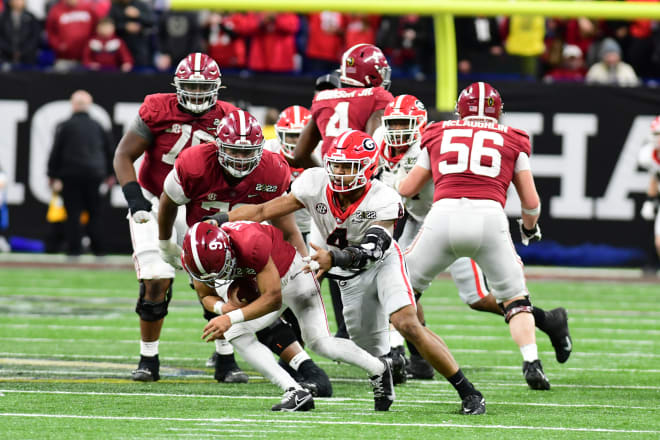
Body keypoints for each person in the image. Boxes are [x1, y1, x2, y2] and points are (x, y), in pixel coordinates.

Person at [225, 129, 487, 415]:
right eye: (336, 164)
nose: (339, 172)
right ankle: (382, 371)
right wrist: (218, 219)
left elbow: (373, 250)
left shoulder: (383, 197)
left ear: (368, 167)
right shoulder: (314, 183)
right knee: (370, 349)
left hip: (382, 264)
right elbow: (263, 211)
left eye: (348, 167)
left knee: (407, 323)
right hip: (346, 277)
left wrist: (333, 257)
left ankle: (469, 392)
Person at [376, 95, 572, 375]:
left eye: (403, 124)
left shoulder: (434, 138)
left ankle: (547, 320)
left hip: (444, 217)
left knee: (476, 297)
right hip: (418, 219)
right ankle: (409, 354)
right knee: (402, 284)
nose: (396, 131)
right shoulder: (382, 139)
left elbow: (407, 187)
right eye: (392, 124)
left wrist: (392, 185)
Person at [157, 109, 332, 397]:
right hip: (204, 243)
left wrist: (303, 260)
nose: (239, 159)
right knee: (234, 307)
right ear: (218, 146)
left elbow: (282, 221)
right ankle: (229, 358)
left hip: (248, 244)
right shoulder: (194, 163)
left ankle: (300, 368)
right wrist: (165, 241)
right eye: (233, 152)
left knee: (253, 306)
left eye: (246, 152)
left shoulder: (272, 169)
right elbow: (169, 200)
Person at [113, 52, 244, 383]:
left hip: (201, 205)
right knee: (155, 280)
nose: (198, 95)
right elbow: (124, 154)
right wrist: (134, 200)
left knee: (217, 278)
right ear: (177, 86)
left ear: (217, 88)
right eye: (190, 87)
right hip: (156, 200)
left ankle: (226, 359)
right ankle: (148, 358)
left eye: (204, 88)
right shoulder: (158, 108)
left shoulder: (229, 117)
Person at [181, 220, 395, 412]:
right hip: (261, 284)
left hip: (294, 278)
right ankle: (294, 390)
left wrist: (231, 317)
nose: (218, 276)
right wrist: (222, 309)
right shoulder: (196, 261)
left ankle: (378, 368)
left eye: (220, 267)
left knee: (321, 344)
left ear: (227, 247)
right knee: (235, 332)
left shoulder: (250, 241)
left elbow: (273, 298)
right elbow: (205, 294)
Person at [292, 43, 394, 169]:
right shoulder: (378, 95)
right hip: (359, 173)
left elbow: (299, 155)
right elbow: (371, 149)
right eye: (380, 71)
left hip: (332, 171)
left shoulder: (322, 97)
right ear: (371, 74)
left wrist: (324, 175)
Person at [47, 90, 114, 257]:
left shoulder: (65, 126)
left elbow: (56, 152)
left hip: (70, 175)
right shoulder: (98, 125)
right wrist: (110, 174)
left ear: (73, 104)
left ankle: (74, 250)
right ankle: (99, 250)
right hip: (94, 174)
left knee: (73, 214)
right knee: (95, 214)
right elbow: (109, 151)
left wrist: (52, 174)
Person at [639, 116, 660, 261]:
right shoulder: (648, 155)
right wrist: (650, 200)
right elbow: (655, 175)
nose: (658, 138)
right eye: (656, 134)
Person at [0, 0, 41, 68]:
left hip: (27, 57)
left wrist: (22, 51)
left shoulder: (31, 17)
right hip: (6, 55)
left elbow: (35, 37)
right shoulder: (3, 17)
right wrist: (10, 50)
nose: (18, 2)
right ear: (10, 2)